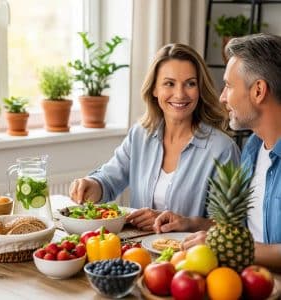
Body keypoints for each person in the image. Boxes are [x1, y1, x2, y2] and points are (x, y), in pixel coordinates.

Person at [69, 43, 240, 231]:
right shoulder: (140, 135)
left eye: (190, 83)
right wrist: (91, 185)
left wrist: (186, 223)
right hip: (136, 252)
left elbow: (231, 226)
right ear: (154, 89)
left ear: (200, 89)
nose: (180, 94)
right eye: (169, 83)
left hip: (190, 257)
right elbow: (108, 181)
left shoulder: (222, 149)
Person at [154, 34, 281, 271]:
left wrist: (227, 249)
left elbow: (238, 245)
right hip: (242, 280)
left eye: (229, 86)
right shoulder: (253, 148)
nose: (222, 97)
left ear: (258, 91)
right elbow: (240, 231)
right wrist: (191, 223)